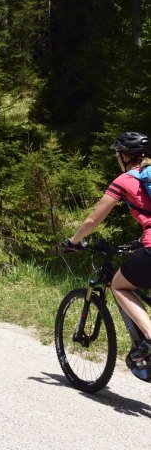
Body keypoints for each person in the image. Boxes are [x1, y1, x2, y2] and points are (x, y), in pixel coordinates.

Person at [66, 131, 151, 363]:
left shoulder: (125, 180)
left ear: (124, 156)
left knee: (119, 285)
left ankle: (149, 337)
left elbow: (93, 220)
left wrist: (73, 241)